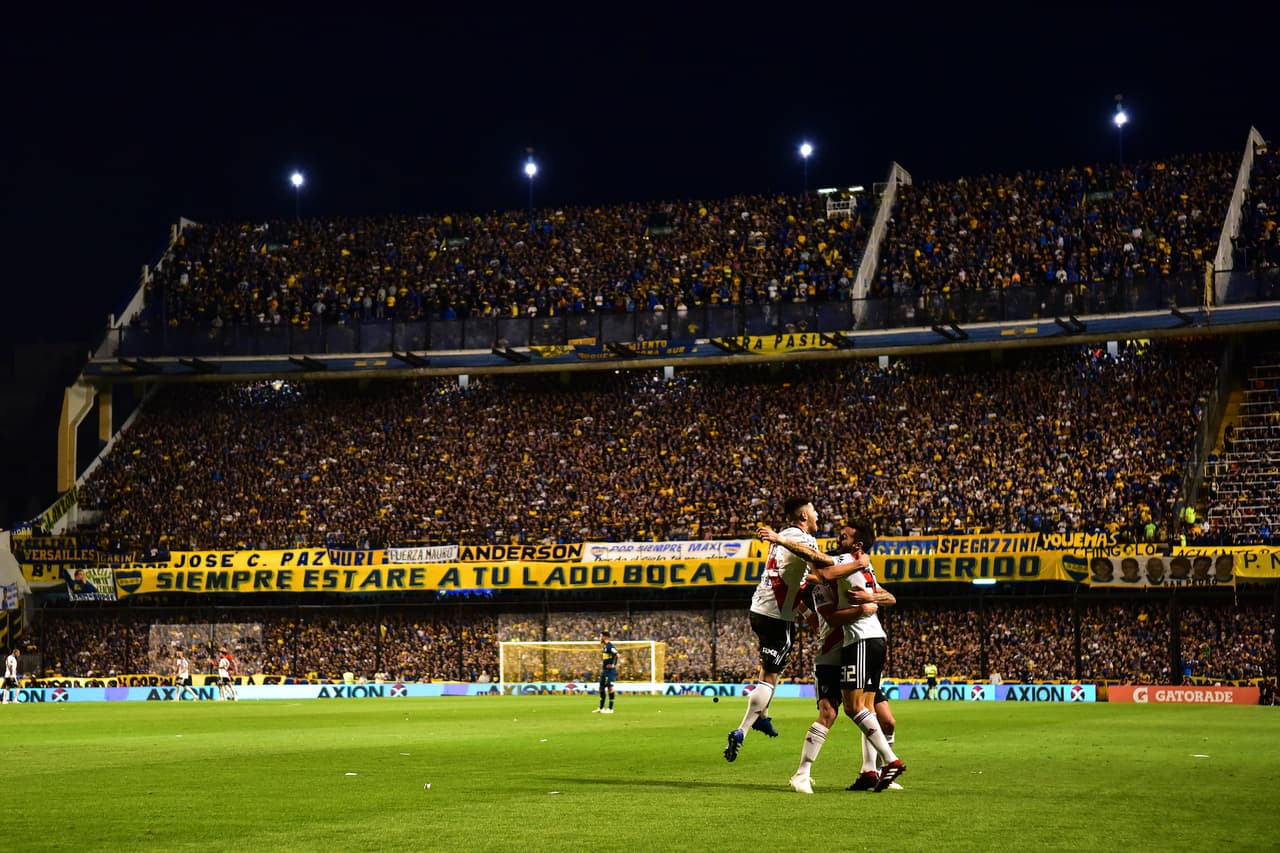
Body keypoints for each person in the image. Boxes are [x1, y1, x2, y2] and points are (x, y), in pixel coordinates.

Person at [725, 495, 866, 763]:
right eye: (814, 512)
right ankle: (742, 729)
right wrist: (856, 564)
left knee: (767, 668)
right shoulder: (800, 539)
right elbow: (821, 569)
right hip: (777, 617)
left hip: (759, 610)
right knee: (770, 677)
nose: (818, 516)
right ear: (803, 516)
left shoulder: (786, 538)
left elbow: (796, 582)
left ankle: (763, 717)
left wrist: (808, 614)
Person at [593, 630, 618, 714]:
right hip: (604, 670)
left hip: (610, 671)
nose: (599, 638)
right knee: (601, 687)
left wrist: (613, 664)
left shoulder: (610, 646)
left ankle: (610, 709)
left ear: (604, 637)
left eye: (600, 636)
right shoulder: (605, 647)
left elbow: (617, 654)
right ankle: (601, 708)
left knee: (610, 687)